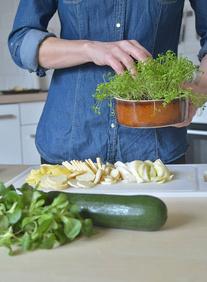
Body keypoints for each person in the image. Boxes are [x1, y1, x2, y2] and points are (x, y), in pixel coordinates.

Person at [8, 0, 207, 165]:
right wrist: (89, 49)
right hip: (69, 145)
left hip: (157, 149)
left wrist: (201, 87)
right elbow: (21, 41)